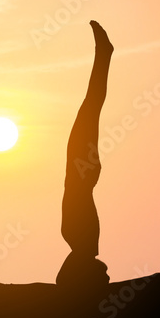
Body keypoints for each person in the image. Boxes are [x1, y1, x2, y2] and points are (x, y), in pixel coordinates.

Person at [56, 20, 113, 289]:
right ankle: (103, 55)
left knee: (90, 108)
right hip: (81, 171)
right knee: (90, 107)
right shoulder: (82, 239)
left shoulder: (79, 240)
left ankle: (103, 55)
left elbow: (62, 280)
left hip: (80, 172)